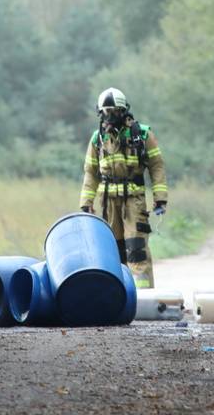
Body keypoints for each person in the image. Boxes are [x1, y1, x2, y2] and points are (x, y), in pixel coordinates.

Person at [78, 87, 167, 288]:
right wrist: (86, 203)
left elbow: (157, 166)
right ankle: (118, 296)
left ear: (123, 110)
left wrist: (160, 197)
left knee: (136, 249)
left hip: (133, 202)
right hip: (108, 204)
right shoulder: (98, 138)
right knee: (113, 251)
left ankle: (143, 295)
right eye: (105, 112)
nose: (109, 116)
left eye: (113, 111)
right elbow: (91, 172)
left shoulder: (141, 134)